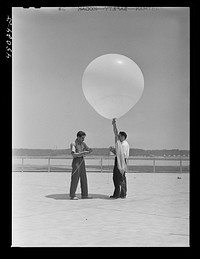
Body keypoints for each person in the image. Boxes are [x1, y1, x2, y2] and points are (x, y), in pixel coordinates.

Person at [69, 131, 93, 200]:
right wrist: (82, 153)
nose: (83, 139)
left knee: (84, 178)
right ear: (78, 137)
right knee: (75, 178)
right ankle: (72, 195)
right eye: (82, 138)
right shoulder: (73, 144)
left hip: (82, 161)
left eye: (84, 138)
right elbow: (73, 154)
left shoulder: (83, 144)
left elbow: (88, 149)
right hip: (76, 161)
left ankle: (85, 194)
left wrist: (89, 151)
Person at [109, 118, 129, 199]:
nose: (118, 137)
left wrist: (113, 150)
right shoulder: (121, 143)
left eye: (120, 136)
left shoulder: (124, 144)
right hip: (119, 160)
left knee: (120, 178)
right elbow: (115, 133)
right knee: (117, 178)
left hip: (121, 162)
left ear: (123, 137)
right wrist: (114, 124)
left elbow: (120, 155)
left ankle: (121, 194)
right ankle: (119, 193)